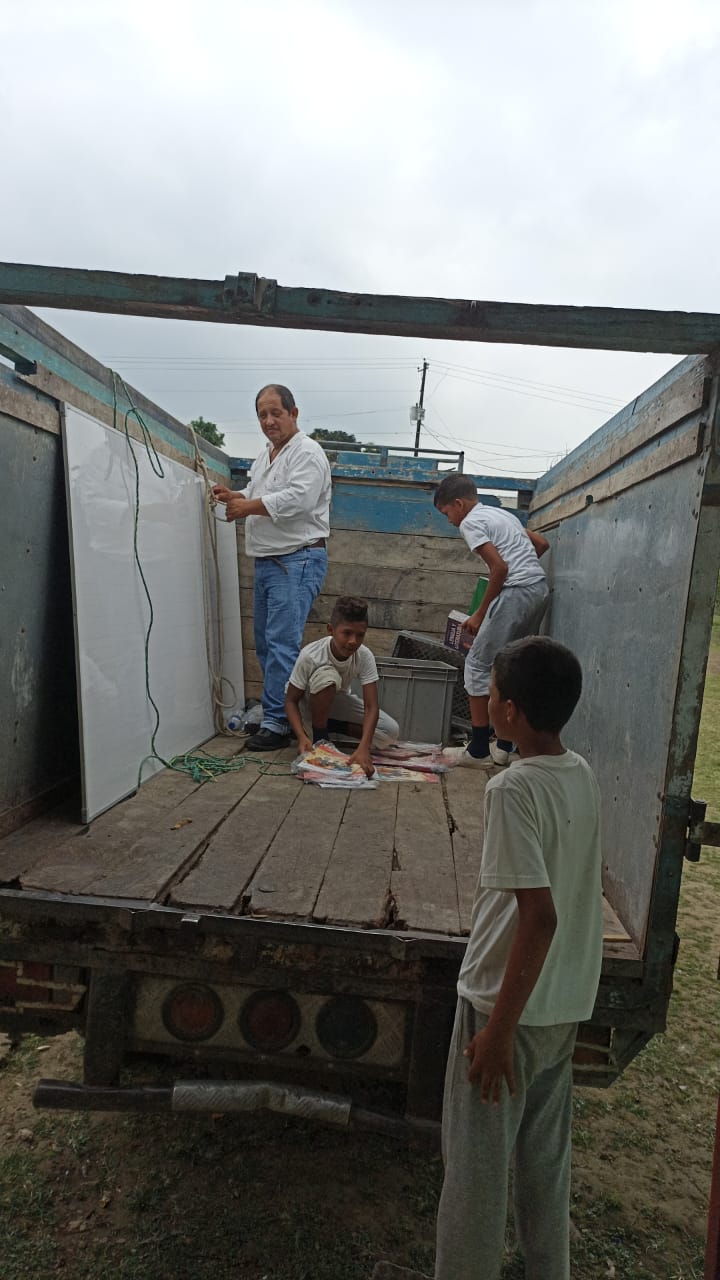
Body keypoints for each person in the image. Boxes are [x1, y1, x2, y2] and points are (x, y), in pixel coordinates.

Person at [434, 635, 603, 1280]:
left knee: (475, 1177)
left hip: (502, 1006)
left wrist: (499, 1030)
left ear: (508, 711)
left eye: (494, 692)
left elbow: (540, 916)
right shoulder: (580, 772)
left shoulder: (513, 789)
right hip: (561, 1004)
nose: (489, 699)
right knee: (544, 1166)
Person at [212, 384, 332, 751]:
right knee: (268, 644)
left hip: (296, 558)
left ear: (293, 413)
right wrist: (236, 497)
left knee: (281, 644)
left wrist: (246, 507)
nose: (268, 421)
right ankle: (276, 716)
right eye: (262, 415)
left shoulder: (307, 452)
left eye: (275, 413)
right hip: (272, 560)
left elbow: (299, 499)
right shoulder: (266, 456)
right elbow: (258, 493)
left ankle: (278, 723)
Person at [433, 473, 550, 768]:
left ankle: (478, 750)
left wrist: (480, 613)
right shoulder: (502, 515)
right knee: (510, 667)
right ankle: (505, 746)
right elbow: (541, 543)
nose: (450, 521)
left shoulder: (471, 522)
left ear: (459, 504)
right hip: (538, 589)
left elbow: (499, 568)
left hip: (517, 593)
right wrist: (523, 570)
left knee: (476, 665)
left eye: (447, 513)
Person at [285, 595, 399, 778]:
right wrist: (301, 737)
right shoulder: (311, 655)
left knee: (390, 732)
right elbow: (290, 701)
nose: (353, 641)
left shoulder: (364, 655)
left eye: (360, 635)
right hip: (307, 705)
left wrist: (363, 748)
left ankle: (331, 726)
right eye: (347, 633)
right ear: (331, 630)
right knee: (327, 677)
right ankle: (319, 737)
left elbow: (371, 707)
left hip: (335, 701)